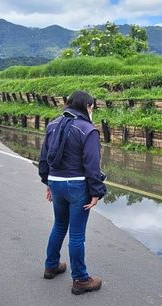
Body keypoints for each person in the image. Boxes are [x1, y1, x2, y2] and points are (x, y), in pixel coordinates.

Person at [38, 90, 107, 294]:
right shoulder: (88, 129)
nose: (92, 110)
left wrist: (48, 183)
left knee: (59, 225)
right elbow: (92, 164)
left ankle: (51, 265)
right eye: (92, 107)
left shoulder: (52, 125)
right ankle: (80, 280)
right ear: (87, 106)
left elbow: (44, 159)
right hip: (77, 184)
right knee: (77, 233)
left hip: (56, 181)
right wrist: (96, 191)